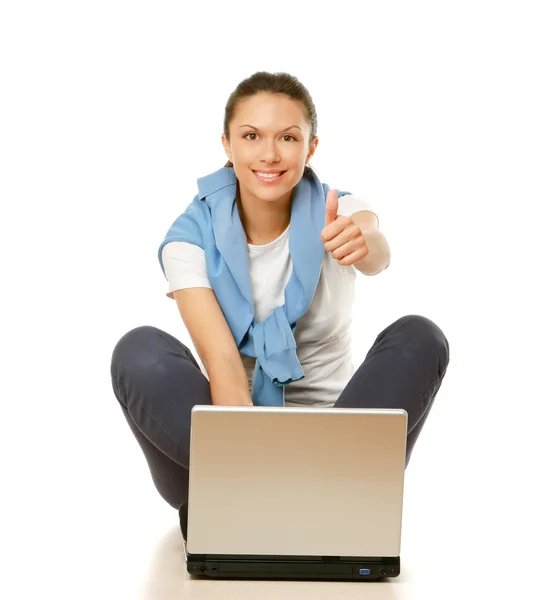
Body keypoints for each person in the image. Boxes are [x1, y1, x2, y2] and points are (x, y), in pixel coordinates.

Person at [110, 71, 450, 519]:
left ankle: (296, 504)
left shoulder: (337, 210)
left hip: (339, 440)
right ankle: (282, 507)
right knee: (139, 349)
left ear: (310, 147)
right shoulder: (187, 241)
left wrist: (365, 242)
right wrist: (258, 465)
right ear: (227, 145)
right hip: (231, 447)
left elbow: (375, 246)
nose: (269, 154)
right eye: (251, 136)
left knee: (420, 335)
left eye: (288, 138)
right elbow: (225, 368)